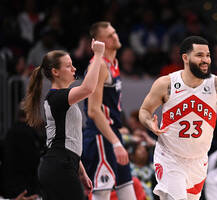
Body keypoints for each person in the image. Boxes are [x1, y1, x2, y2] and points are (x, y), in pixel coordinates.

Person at [138, 36, 217, 200]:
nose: (205, 60)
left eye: (208, 55)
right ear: (185, 58)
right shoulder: (166, 83)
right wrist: (149, 123)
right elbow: (144, 111)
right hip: (170, 157)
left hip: (198, 161)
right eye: (200, 55)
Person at [22, 39, 105, 199]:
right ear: (55, 72)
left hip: (63, 164)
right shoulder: (56, 97)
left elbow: (67, 137)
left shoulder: (61, 99)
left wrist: (81, 171)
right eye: (68, 66)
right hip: (59, 166)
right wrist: (98, 54)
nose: (74, 69)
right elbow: (88, 88)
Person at [81, 21, 136, 200]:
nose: (115, 36)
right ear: (100, 42)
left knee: (128, 191)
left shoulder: (114, 62)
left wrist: (120, 132)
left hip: (112, 134)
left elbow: (109, 108)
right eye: (110, 35)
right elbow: (93, 111)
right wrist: (116, 143)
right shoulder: (99, 66)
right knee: (101, 193)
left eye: (114, 32)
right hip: (100, 138)